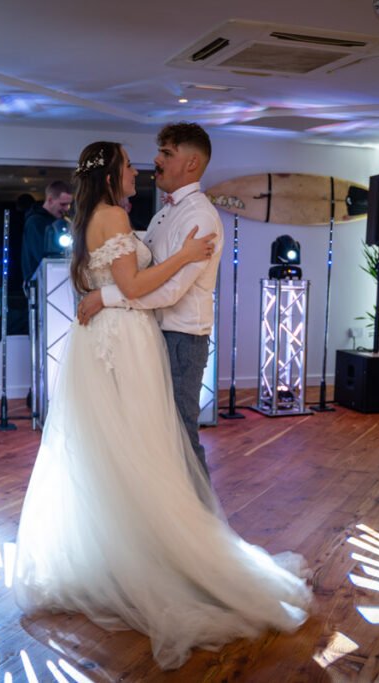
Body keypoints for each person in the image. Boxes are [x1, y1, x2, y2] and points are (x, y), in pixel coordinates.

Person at [14, 141, 312, 671]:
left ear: (192, 162)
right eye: (130, 163)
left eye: (157, 157)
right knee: (146, 447)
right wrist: (178, 257)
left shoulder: (142, 215)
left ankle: (150, 547)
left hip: (127, 334)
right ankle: (173, 553)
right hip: (125, 339)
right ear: (111, 175)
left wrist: (126, 283)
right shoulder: (117, 216)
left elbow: (132, 281)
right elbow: (137, 281)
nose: (142, 168)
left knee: (134, 446)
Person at [76, 122, 222, 481]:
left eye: (166, 154)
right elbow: (136, 268)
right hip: (151, 335)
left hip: (181, 339)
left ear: (191, 164)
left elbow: (170, 291)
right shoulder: (161, 213)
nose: (153, 161)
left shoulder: (199, 217)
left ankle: (201, 524)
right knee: (155, 437)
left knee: (180, 434)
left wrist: (104, 296)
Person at [21, 180, 73, 285]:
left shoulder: (59, 221)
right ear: (50, 200)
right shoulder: (35, 222)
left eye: (68, 205)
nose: (66, 208)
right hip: (41, 282)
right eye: (63, 204)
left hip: (54, 279)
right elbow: (42, 255)